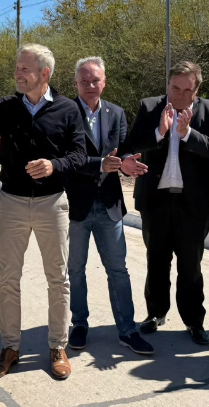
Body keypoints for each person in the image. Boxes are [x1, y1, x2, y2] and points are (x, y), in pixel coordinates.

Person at [0, 44, 87, 380]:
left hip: (53, 204)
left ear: (44, 73)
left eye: (25, 69)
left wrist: (54, 165)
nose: (18, 74)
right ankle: (10, 347)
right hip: (12, 203)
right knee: (8, 280)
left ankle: (57, 347)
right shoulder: (6, 107)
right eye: (17, 67)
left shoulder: (67, 109)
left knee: (58, 280)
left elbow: (79, 154)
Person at [120, 61, 209, 345]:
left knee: (191, 266)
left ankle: (194, 321)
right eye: (174, 88)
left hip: (195, 203)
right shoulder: (150, 107)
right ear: (167, 85)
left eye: (186, 89)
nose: (178, 95)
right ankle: (155, 313)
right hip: (156, 200)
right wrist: (160, 132)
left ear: (197, 89)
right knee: (156, 261)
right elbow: (131, 145)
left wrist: (187, 134)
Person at [63, 56, 153, 355]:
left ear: (105, 82)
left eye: (95, 80)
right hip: (76, 206)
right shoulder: (63, 112)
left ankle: (127, 330)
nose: (90, 85)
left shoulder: (116, 113)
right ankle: (79, 324)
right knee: (75, 270)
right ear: (75, 83)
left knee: (118, 270)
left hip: (110, 204)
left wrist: (127, 165)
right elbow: (65, 160)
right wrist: (101, 164)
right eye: (84, 80)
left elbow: (125, 150)